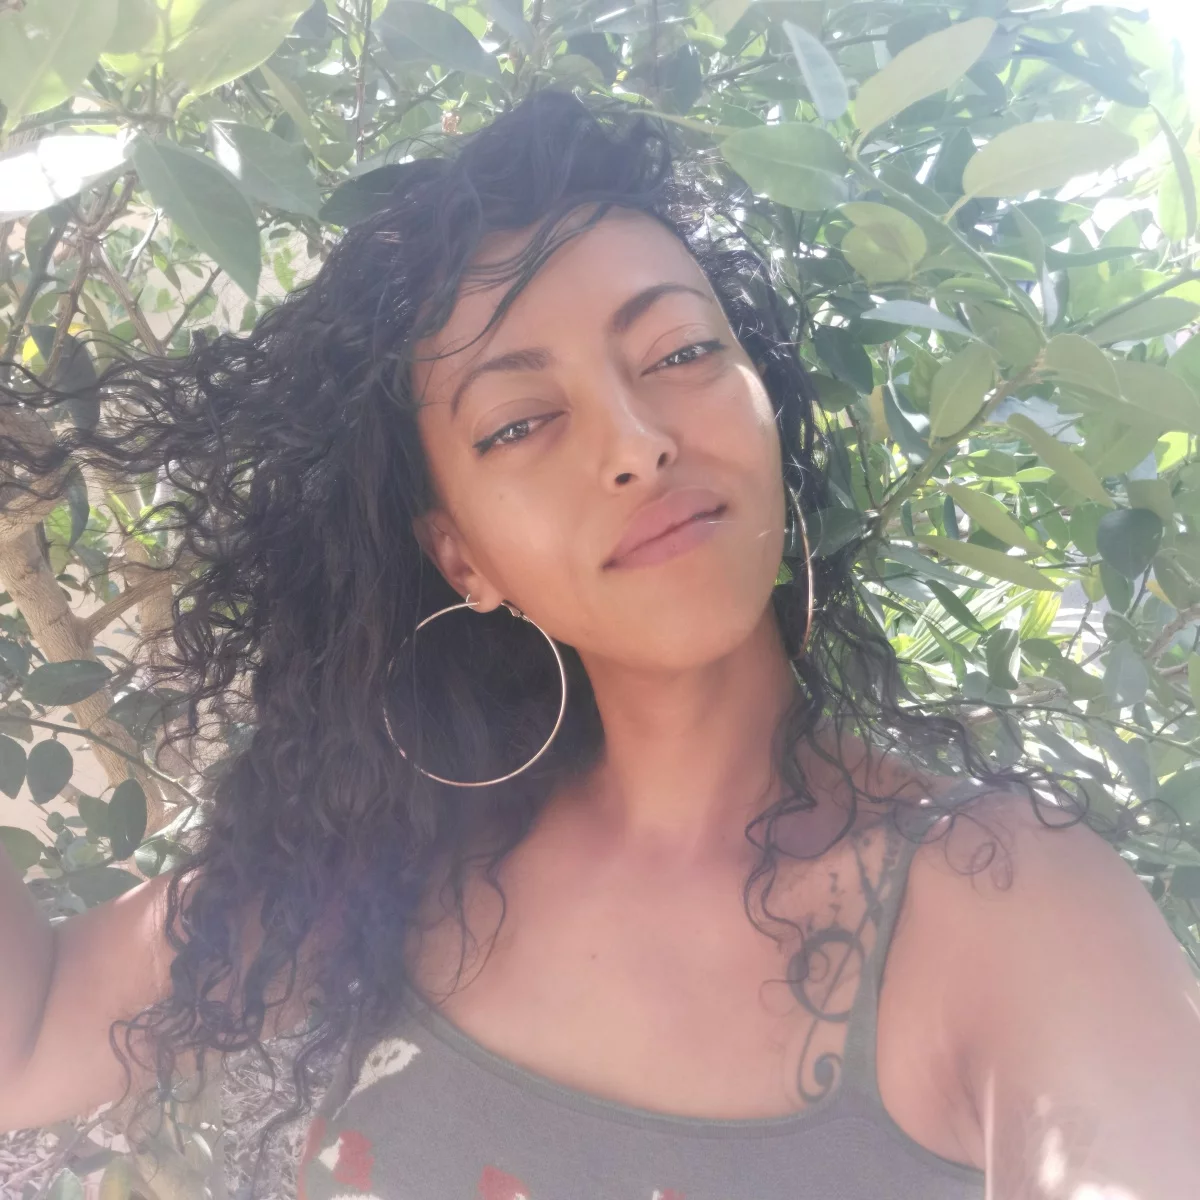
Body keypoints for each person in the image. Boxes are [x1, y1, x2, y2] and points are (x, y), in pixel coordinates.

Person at [1, 92, 1198, 1200]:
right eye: (522, 421)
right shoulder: (391, 855)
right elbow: (29, 1036)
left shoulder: (1004, 907)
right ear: (462, 558)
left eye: (680, 353)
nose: (636, 444)